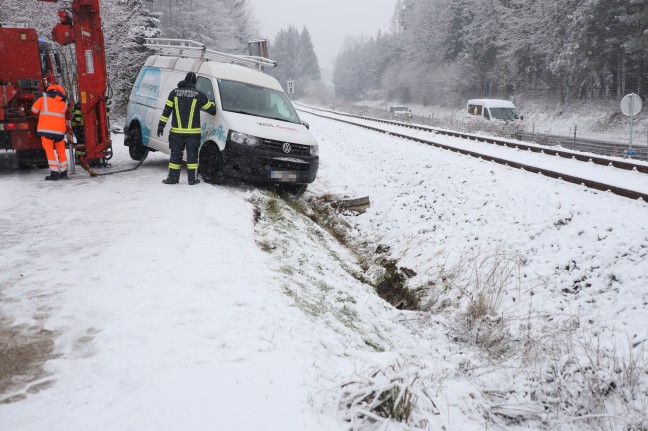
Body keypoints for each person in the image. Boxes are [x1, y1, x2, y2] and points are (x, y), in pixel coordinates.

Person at [157, 72, 216, 185]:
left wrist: (161, 126)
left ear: (184, 80)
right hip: (193, 134)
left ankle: (172, 179)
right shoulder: (199, 94)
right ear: (194, 83)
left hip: (177, 133)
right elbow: (211, 109)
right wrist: (213, 105)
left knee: (175, 155)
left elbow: (166, 111)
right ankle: (192, 180)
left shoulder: (174, 93)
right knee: (192, 157)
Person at [31, 84, 70, 180]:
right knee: (61, 151)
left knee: (49, 151)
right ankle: (64, 173)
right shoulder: (63, 102)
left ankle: (55, 173)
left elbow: (34, 110)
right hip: (60, 131)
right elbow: (65, 112)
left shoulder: (43, 98)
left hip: (46, 130)